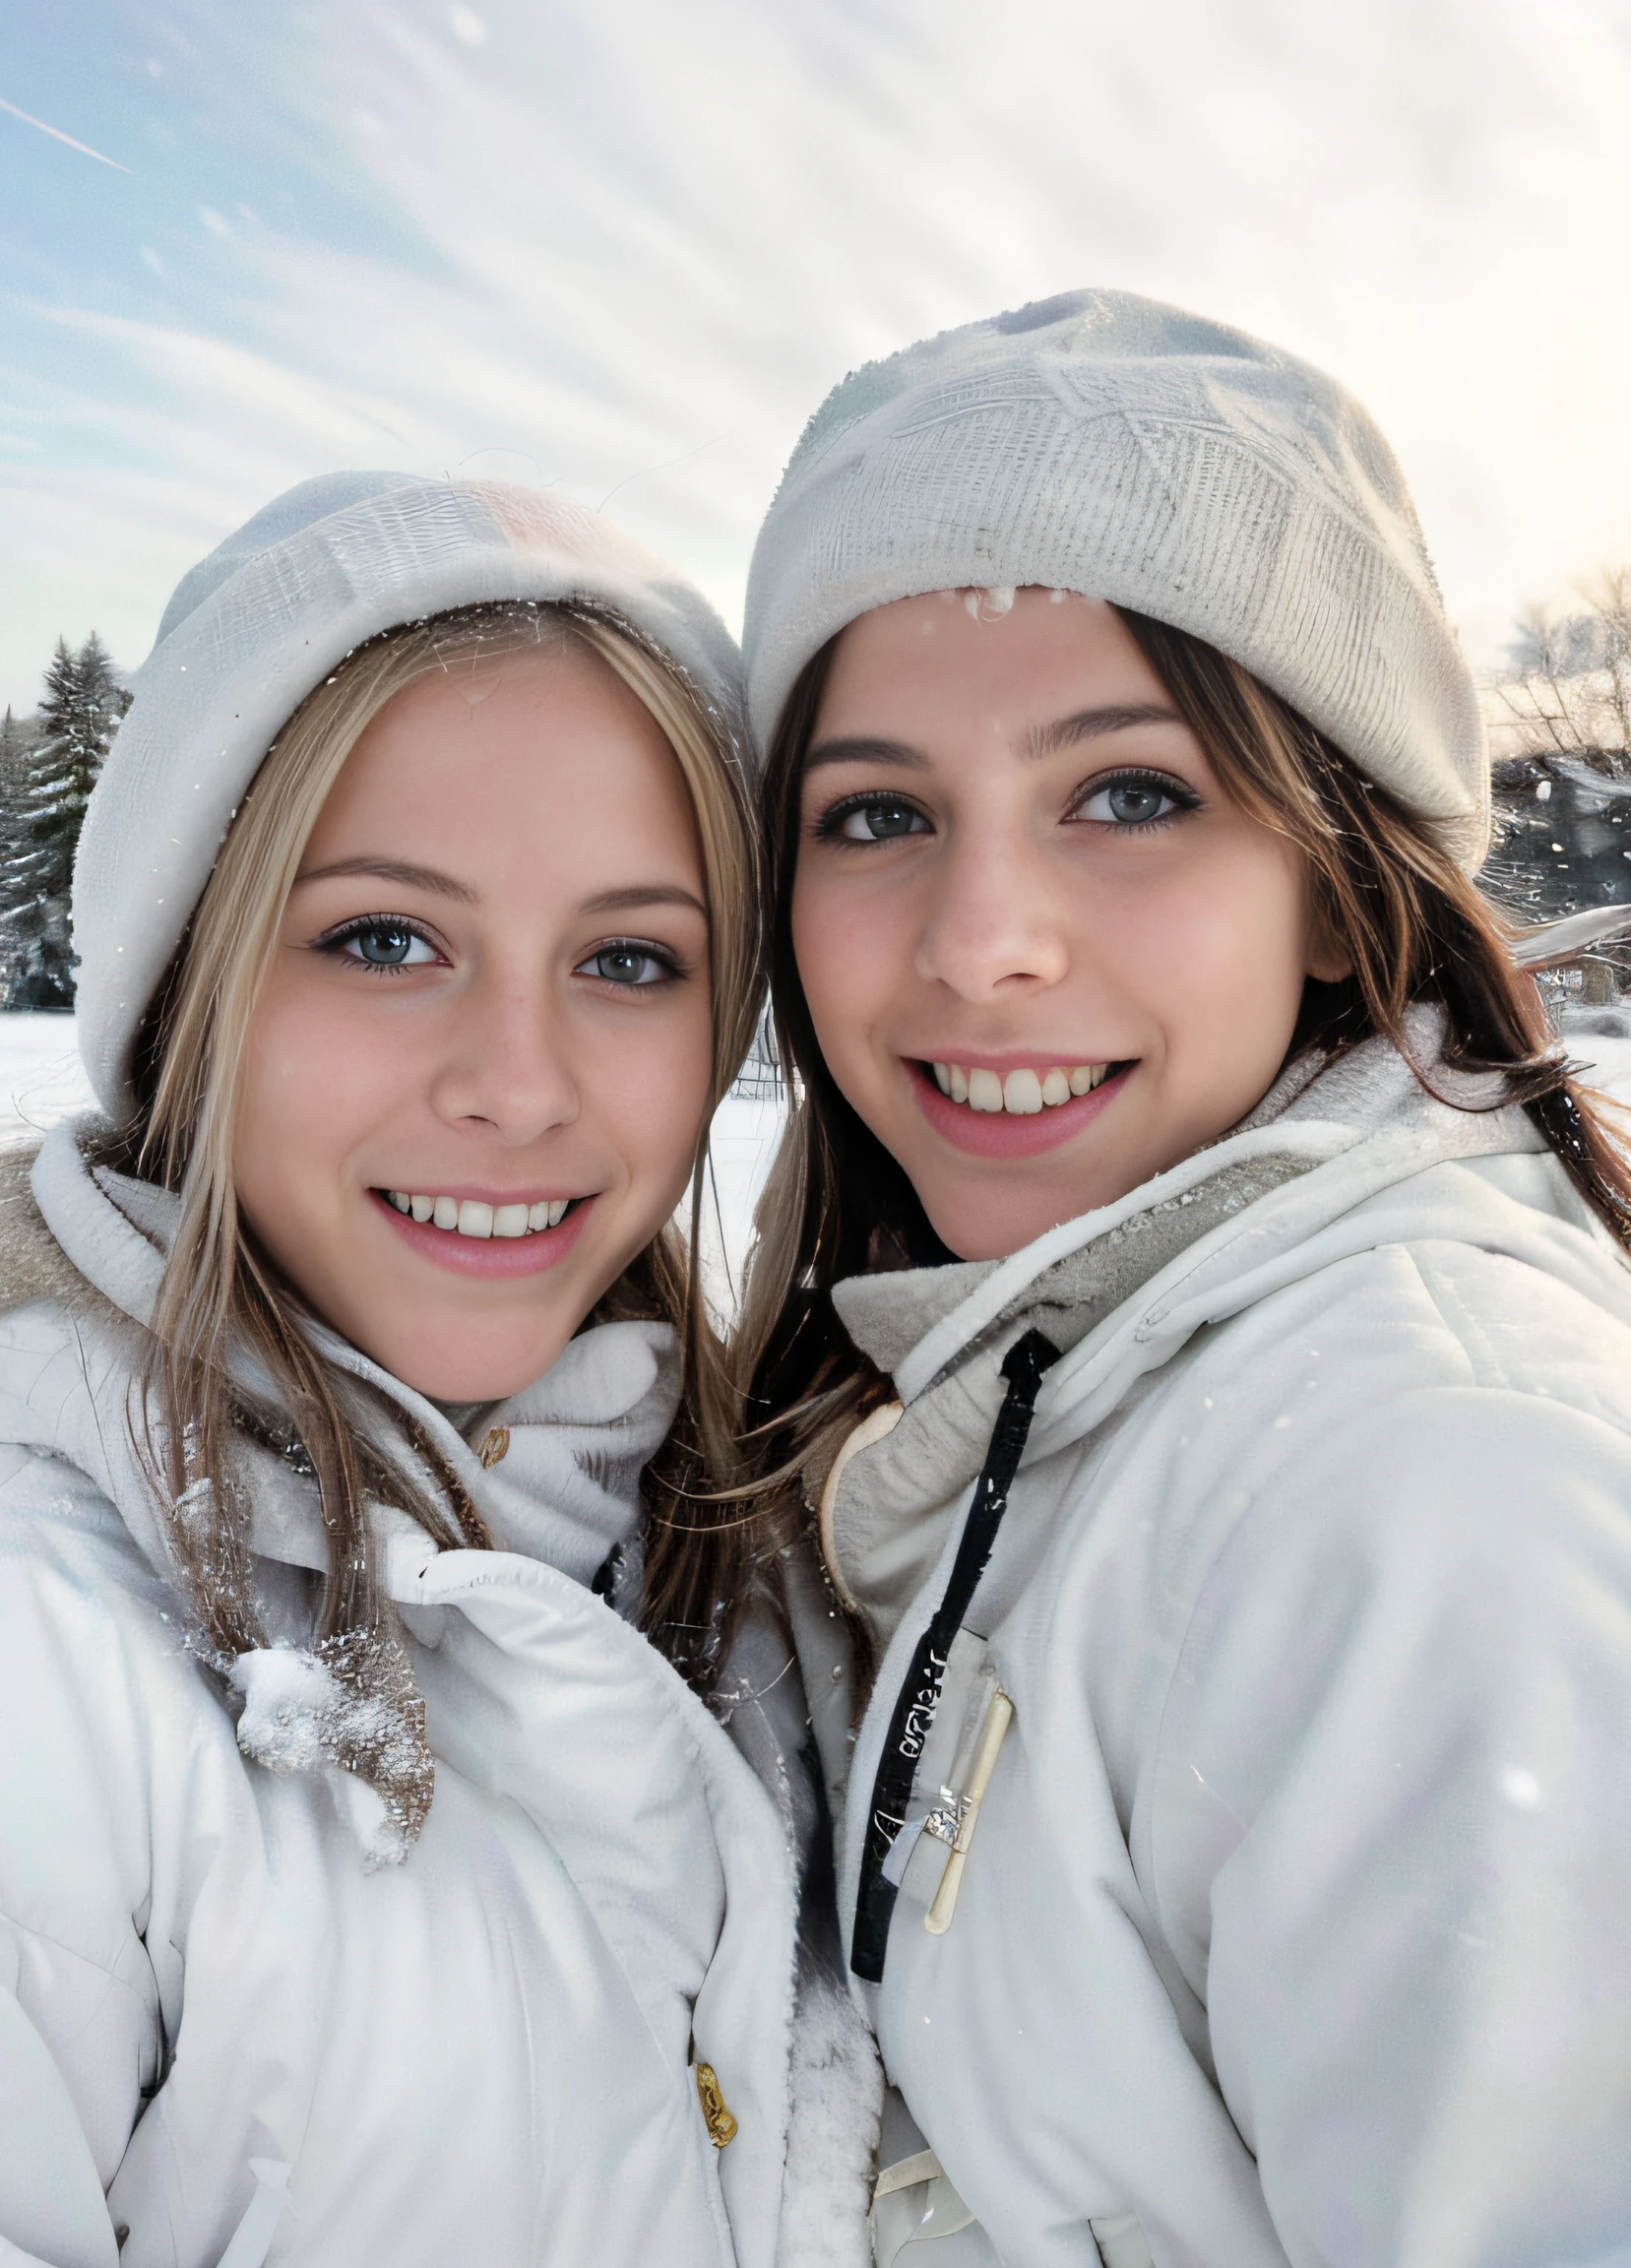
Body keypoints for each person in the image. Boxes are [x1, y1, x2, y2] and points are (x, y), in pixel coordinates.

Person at [734, 291, 1631, 2266]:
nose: (982, 945)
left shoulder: (1431, 1497)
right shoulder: (1012, 1388)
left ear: (1333, 880)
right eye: (876, 814)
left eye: (1128, 795)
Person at [0, 472, 875, 2265]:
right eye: (384, 939)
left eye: (628, 959)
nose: (519, 1083)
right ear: (188, 993)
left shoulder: (774, 1549)